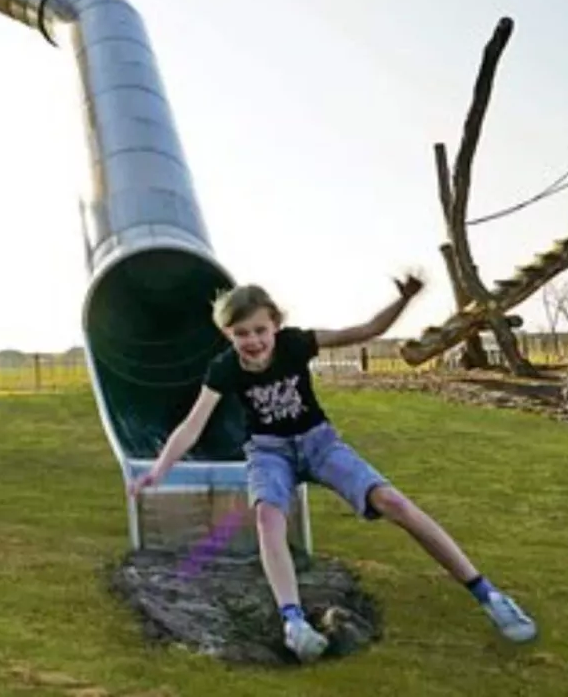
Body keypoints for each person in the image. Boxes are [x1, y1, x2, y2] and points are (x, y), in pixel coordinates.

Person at [127, 272, 537, 662]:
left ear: (275, 326)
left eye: (259, 330)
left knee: (393, 502)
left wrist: (404, 298)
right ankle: (294, 624)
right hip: (268, 452)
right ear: (227, 334)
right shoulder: (224, 368)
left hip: (319, 442)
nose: (252, 342)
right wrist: (160, 469)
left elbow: (365, 332)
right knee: (268, 518)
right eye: (241, 334)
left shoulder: (295, 344)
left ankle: (490, 596)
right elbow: (193, 425)